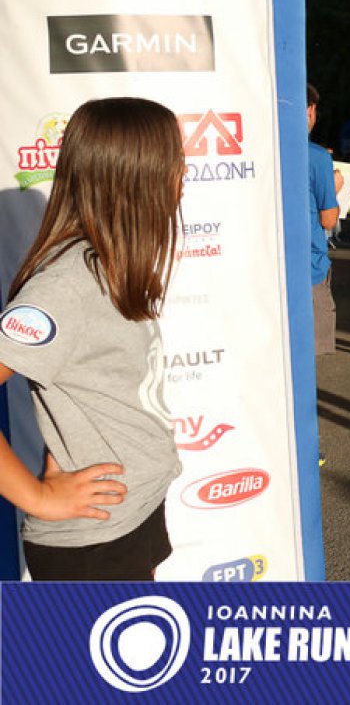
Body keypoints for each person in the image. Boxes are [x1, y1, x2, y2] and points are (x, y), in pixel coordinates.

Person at [0, 97, 184, 580]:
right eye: (175, 161)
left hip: (133, 515)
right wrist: (37, 496)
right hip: (94, 545)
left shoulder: (108, 266)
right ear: (137, 177)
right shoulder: (63, 289)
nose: (182, 175)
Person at [308, 86, 340, 356]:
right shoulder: (317, 157)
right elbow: (329, 220)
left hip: (268, 266)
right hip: (309, 265)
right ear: (310, 110)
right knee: (311, 355)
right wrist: (335, 185)